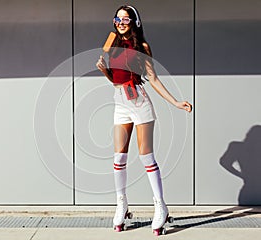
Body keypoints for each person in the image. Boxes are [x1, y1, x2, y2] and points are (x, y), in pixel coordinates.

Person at [96, 5, 192, 235]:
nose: (120, 22)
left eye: (125, 19)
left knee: (146, 155)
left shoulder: (143, 47)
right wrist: (104, 70)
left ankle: (160, 206)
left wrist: (175, 102)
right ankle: (122, 204)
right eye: (117, 19)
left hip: (139, 103)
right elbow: (116, 80)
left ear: (135, 22)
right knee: (119, 156)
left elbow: (154, 79)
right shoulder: (113, 46)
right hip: (120, 103)